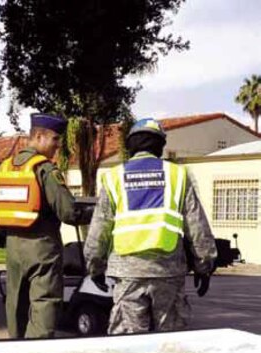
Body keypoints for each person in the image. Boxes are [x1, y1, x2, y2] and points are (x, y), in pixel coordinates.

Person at [83, 118, 217, 334]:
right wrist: (204, 265)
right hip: (168, 272)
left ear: (130, 145)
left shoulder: (114, 177)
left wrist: (94, 267)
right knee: (170, 342)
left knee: (129, 342)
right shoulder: (178, 175)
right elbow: (196, 225)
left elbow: (100, 228)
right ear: (160, 146)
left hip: (127, 273)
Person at [0, 113, 84, 339]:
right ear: (39, 136)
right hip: (42, 247)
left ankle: (17, 346)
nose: (57, 146)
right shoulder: (45, 170)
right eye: (55, 140)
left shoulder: (4, 168)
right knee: (45, 303)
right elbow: (69, 212)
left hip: (13, 248)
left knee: (16, 301)